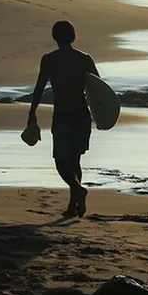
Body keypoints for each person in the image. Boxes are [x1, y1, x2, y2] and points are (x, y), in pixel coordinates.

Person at [27, 20, 99, 217]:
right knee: (75, 160)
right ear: (73, 36)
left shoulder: (49, 60)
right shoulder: (84, 59)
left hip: (63, 114)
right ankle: (72, 204)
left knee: (60, 160)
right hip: (82, 114)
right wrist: (101, 116)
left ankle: (77, 191)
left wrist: (31, 113)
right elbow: (98, 89)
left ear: (54, 37)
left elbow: (39, 89)